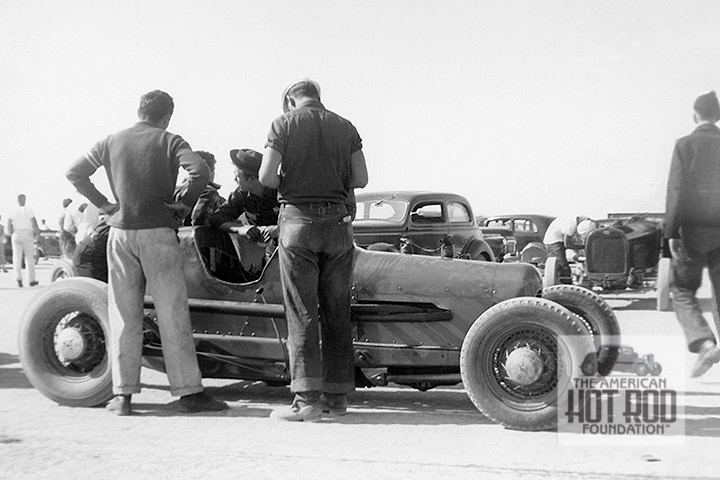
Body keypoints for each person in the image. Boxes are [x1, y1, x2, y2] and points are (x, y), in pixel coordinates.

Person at [65, 89, 228, 415]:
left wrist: (106, 205)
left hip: (120, 234)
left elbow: (75, 172)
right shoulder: (170, 140)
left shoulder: (111, 141)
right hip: (158, 233)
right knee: (172, 313)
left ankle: (122, 396)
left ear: (139, 110)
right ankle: (188, 393)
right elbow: (200, 171)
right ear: (166, 116)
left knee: (124, 316)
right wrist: (182, 202)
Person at [260, 79, 368, 422]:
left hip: (298, 224)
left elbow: (265, 177)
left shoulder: (283, 124)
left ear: (292, 99)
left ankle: (306, 401)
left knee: (302, 311)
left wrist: (291, 178)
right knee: (337, 310)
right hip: (338, 226)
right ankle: (337, 400)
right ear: (318, 97)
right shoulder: (345, 126)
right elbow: (361, 178)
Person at [665, 90, 720, 378]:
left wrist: (671, 233)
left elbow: (676, 190)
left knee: (682, 290)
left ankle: (704, 342)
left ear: (695, 115)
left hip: (692, 233)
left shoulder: (685, 145)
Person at [208, 148, 280, 242]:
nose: (234, 180)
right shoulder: (242, 194)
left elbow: (302, 219)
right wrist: (240, 228)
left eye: (237, 177)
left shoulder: (282, 191)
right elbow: (217, 218)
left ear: (251, 179)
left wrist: (278, 229)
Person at [174, 150, 225, 227]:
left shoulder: (174, 190)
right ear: (207, 169)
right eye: (213, 169)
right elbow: (200, 222)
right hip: (194, 237)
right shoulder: (208, 191)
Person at [543, 215, 597, 282]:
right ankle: (565, 286)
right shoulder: (571, 224)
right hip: (553, 241)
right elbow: (567, 244)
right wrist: (583, 247)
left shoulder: (581, 220)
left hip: (559, 239)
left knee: (564, 267)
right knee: (563, 267)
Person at [7, 194, 39, 287]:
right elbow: (34, 224)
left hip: (16, 234)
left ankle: (18, 279)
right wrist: (37, 234)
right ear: (25, 200)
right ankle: (31, 280)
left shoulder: (12, 212)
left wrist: (12, 234)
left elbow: (9, 226)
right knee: (29, 258)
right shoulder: (29, 211)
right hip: (27, 234)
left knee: (16, 258)